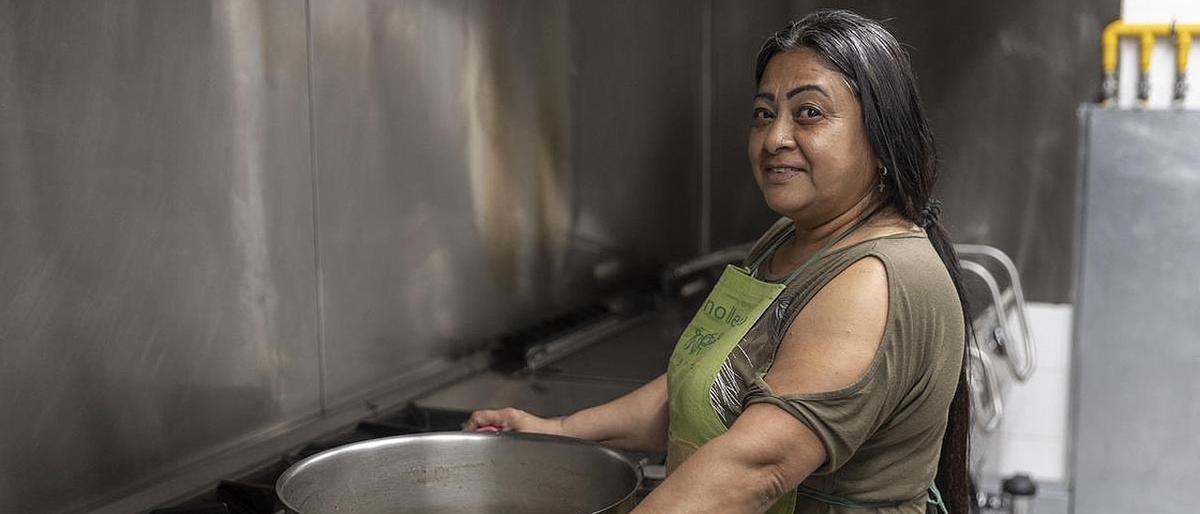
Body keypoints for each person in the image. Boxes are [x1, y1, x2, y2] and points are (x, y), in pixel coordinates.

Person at [466, 10, 971, 514]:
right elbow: (707, 388)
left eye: (809, 113)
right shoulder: (787, 242)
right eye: (764, 114)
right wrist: (558, 432)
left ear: (883, 139)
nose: (775, 138)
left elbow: (756, 468)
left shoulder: (870, 279)